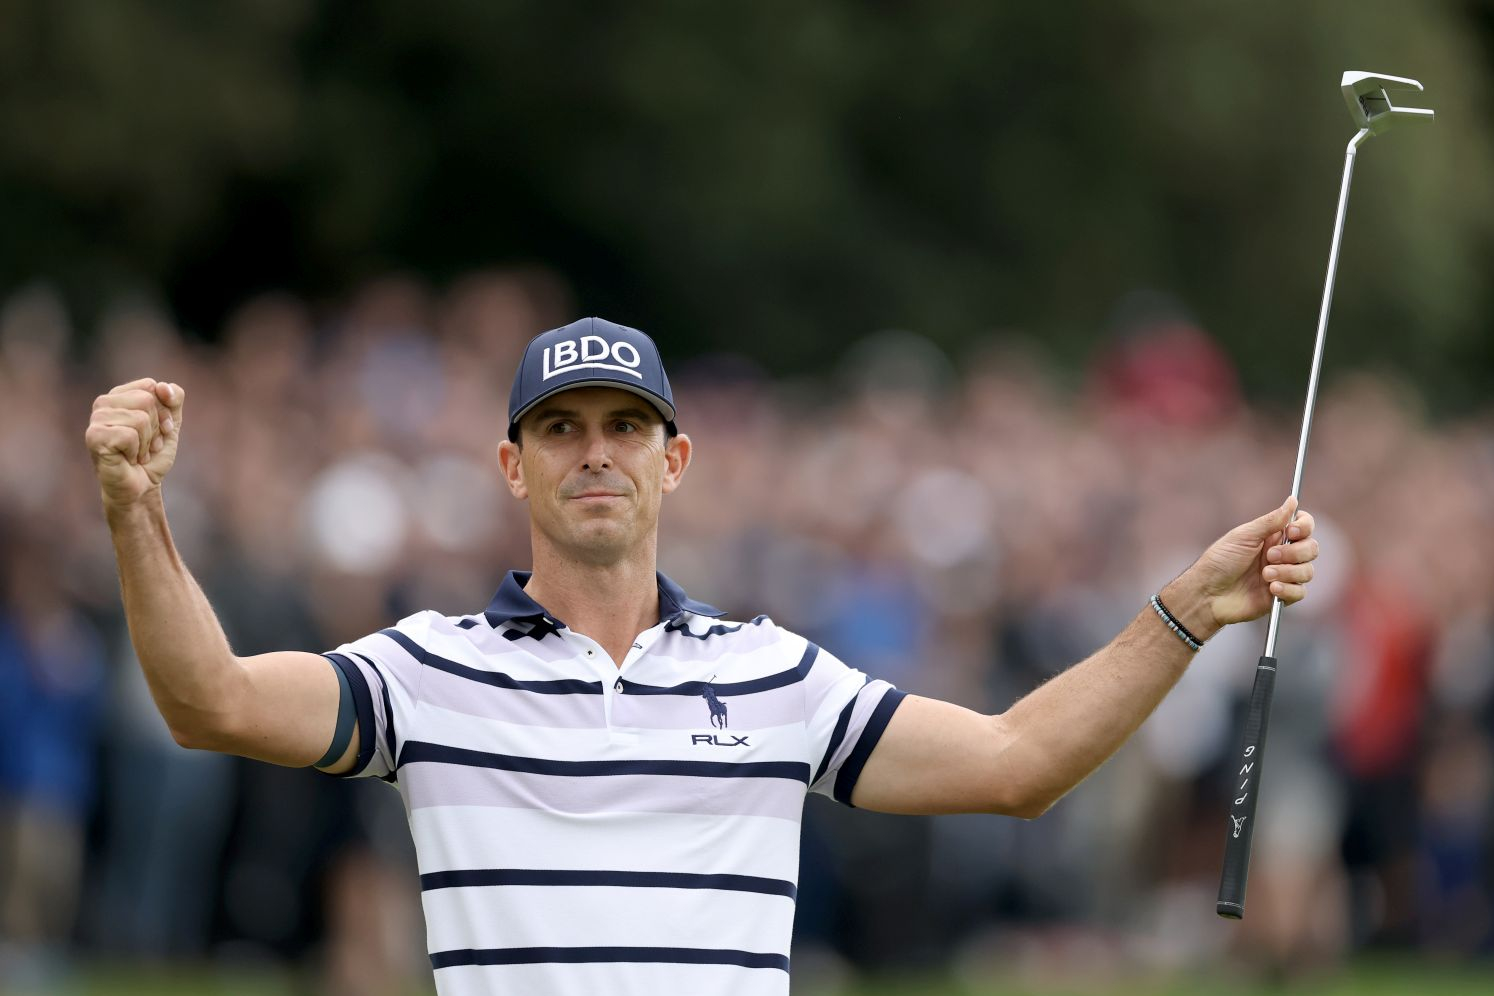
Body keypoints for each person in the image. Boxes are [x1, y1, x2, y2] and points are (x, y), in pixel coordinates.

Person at [85, 316, 1319, 996]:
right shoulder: (430, 672)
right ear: (513, 468)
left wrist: (1186, 608)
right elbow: (213, 703)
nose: (596, 453)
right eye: (559, 430)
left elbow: (1019, 764)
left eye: (627, 426)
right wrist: (137, 509)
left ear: (675, 459)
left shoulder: (777, 674)